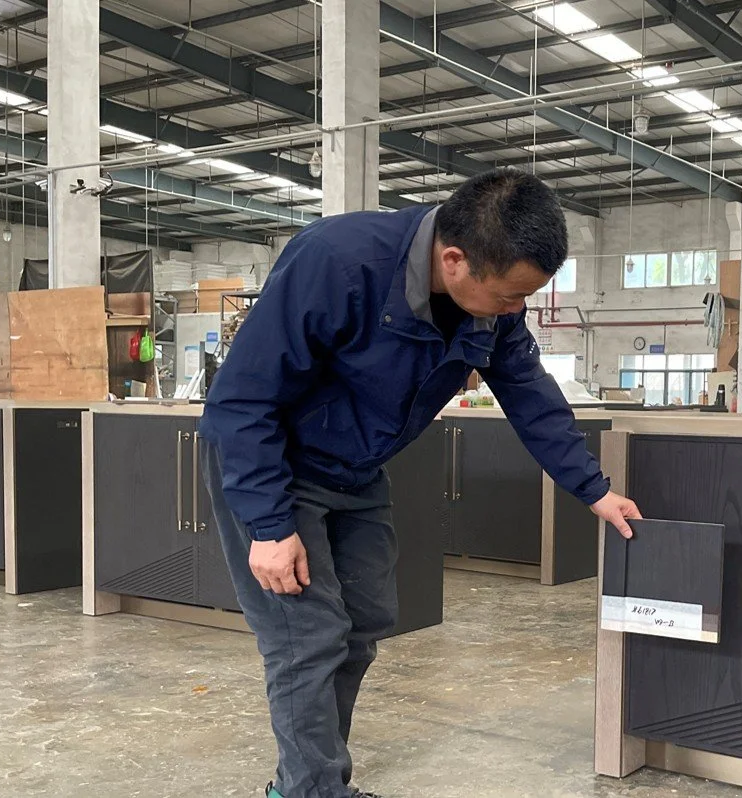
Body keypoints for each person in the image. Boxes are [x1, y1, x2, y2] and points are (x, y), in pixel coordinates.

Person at [198, 169, 642, 798]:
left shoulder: (491, 306)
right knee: (306, 638)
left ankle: (307, 782)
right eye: (511, 297)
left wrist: (593, 488)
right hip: (275, 464)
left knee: (365, 621)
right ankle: (311, 792)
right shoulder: (337, 261)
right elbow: (241, 401)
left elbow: (529, 393)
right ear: (455, 260)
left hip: (356, 467)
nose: (517, 312)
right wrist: (269, 527)